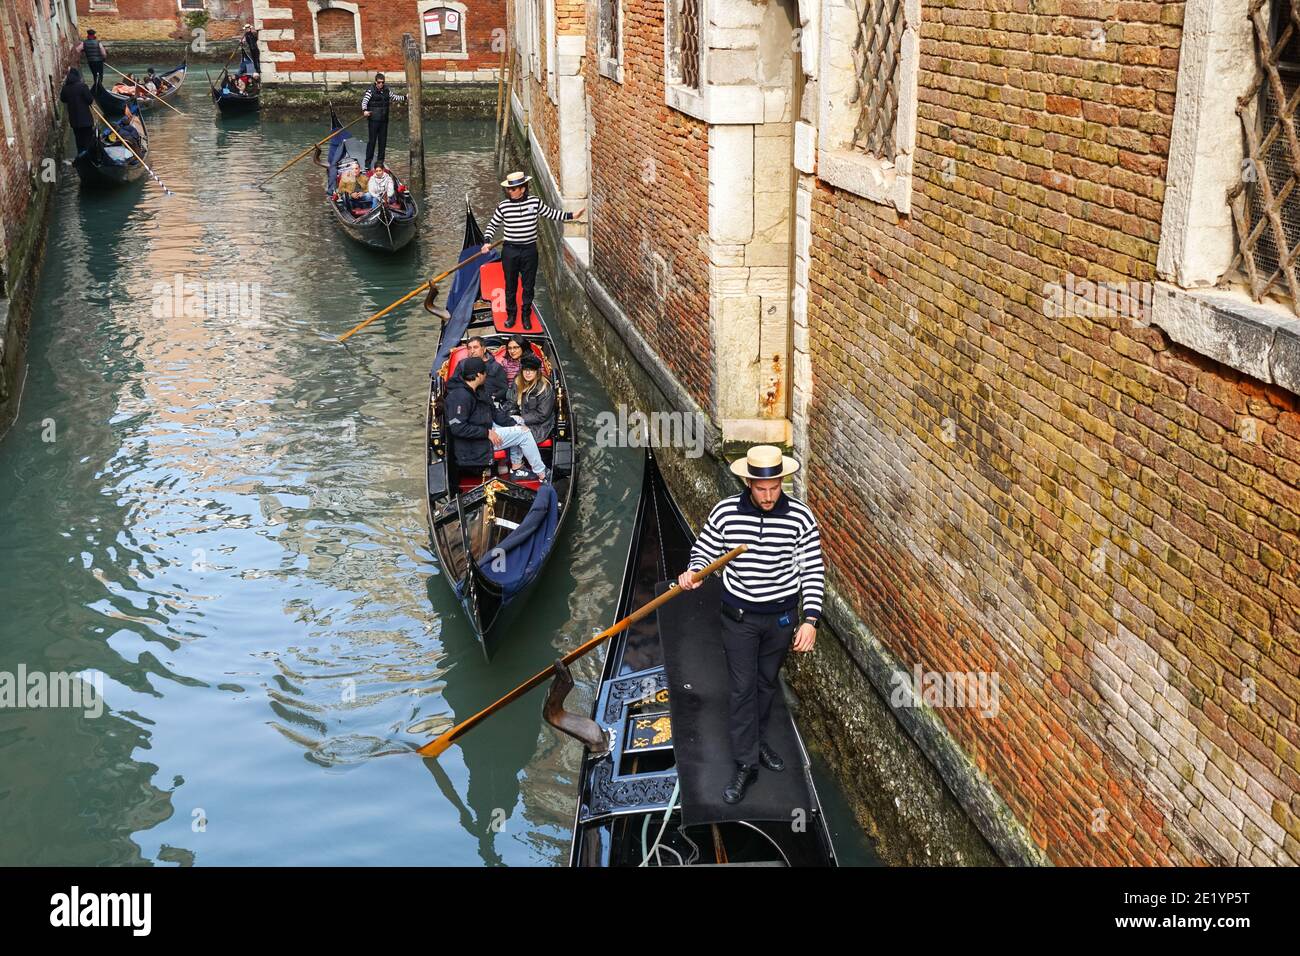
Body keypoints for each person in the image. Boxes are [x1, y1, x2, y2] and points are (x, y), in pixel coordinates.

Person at [676, 445, 825, 805]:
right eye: (763, 489)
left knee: (765, 684)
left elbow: (813, 571)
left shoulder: (801, 518)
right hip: (739, 617)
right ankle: (746, 763)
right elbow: (705, 550)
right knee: (743, 689)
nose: (770, 495)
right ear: (748, 482)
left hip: (782, 618)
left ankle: (757, 743)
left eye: (776, 487)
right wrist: (694, 571)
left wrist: (811, 620)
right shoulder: (726, 512)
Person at [480, 172, 584, 330]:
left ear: (522, 189)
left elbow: (552, 214)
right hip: (510, 251)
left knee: (528, 286)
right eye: (509, 189)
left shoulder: (534, 203)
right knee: (510, 286)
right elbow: (492, 225)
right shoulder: (503, 206)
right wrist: (487, 242)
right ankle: (511, 315)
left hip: (529, 251)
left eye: (513, 189)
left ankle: (525, 315)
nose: (510, 192)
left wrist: (572, 215)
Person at [445, 356, 548, 483]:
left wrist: (515, 423)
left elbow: (495, 414)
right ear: (478, 375)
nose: (486, 375)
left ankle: (516, 466)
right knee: (525, 433)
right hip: (474, 444)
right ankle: (542, 473)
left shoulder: (479, 390)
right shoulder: (460, 396)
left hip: (485, 431)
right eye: (485, 372)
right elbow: (457, 428)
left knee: (519, 424)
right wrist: (487, 433)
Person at [503, 354, 555, 469]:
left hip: (540, 426)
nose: (527, 373)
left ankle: (517, 465)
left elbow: (542, 415)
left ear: (537, 372)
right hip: (520, 418)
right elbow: (511, 401)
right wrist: (507, 414)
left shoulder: (545, 388)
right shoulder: (518, 381)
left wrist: (521, 420)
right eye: (525, 370)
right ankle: (502, 463)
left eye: (531, 370)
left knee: (517, 432)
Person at [360, 73, 404, 170]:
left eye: (382, 82)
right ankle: (367, 164)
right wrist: (364, 111)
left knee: (382, 143)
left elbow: (395, 97)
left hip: (384, 121)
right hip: (373, 121)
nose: (381, 84)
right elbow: (364, 102)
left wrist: (405, 97)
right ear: (376, 82)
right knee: (372, 142)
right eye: (379, 82)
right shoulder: (370, 91)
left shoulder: (387, 90)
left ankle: (380, 163)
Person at [60, 68, 96, 157]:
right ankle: (89, 156)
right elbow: (90, 100)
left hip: (74, 120)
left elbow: (63, 99)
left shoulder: (65, 88)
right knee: (88, 139)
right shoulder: (83, 86)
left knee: (79, 140)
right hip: (86, 120)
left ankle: (81, 156)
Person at [463, 336, 508, 405]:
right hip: (466, 400)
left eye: (475, 347)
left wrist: (492, 397)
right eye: (469, 348)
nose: (472, 351)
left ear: (484, 350)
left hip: (489, 402)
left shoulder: (495, 367)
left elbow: (504, 389)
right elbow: (453, 383)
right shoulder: (462, 365)